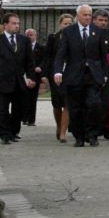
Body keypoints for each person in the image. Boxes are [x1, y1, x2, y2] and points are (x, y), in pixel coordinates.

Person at [53, 4, 109, 147]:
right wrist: (58, 71)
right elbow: (61, 54)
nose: (87, 17)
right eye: (84, 15)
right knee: (76, 108)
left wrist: (105, 74)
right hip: (74, 75)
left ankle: (92, 135)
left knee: (95, 105)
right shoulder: (68, 32)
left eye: (89, 15)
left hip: (93, 75)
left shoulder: (98, 31)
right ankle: (79, 137)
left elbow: (104, 56)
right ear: (77, 16)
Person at [0, 13, 36, 144]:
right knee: (2, 109)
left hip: (19, 80)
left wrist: (31, 77)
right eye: (13, 23)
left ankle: (13, 131)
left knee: (18, 109)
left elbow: (29, 61)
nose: (16, 26)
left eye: (18, 23)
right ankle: (4, 134)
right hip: (2, 80)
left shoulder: (24, 40)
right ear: (5, 25)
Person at [45, 13, 74, 142]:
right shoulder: (53, 38)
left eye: (70, 24)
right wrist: (45, 75)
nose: (67, 26)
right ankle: (58, 126)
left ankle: (63, 132)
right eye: (65, 23)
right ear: (60, 24)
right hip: (55, 75)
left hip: (70, 74)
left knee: (68, 104)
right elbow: (48, 57)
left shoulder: (76, 37)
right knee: (57, 104)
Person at [92, 9, 109, 139]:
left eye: (105, 20)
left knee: (106, 102)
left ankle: (105, 128)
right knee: (93, 102)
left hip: (108, 71)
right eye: (100, 20)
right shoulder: (89, 33)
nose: (103, 23)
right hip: (91, 71)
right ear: (94, 20)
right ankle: (92, 129)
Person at [22, 28, 46, 126]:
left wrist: (40, 67)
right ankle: (24, 118)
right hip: (25, 75)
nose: (30, 37)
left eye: (31, 35)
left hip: (36, 75)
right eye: (28, 35)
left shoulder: (41, 48)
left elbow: (45, 60)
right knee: (24, 97)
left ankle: (31, 120)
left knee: (33, 98)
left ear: (35, 36)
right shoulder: (22, 47)